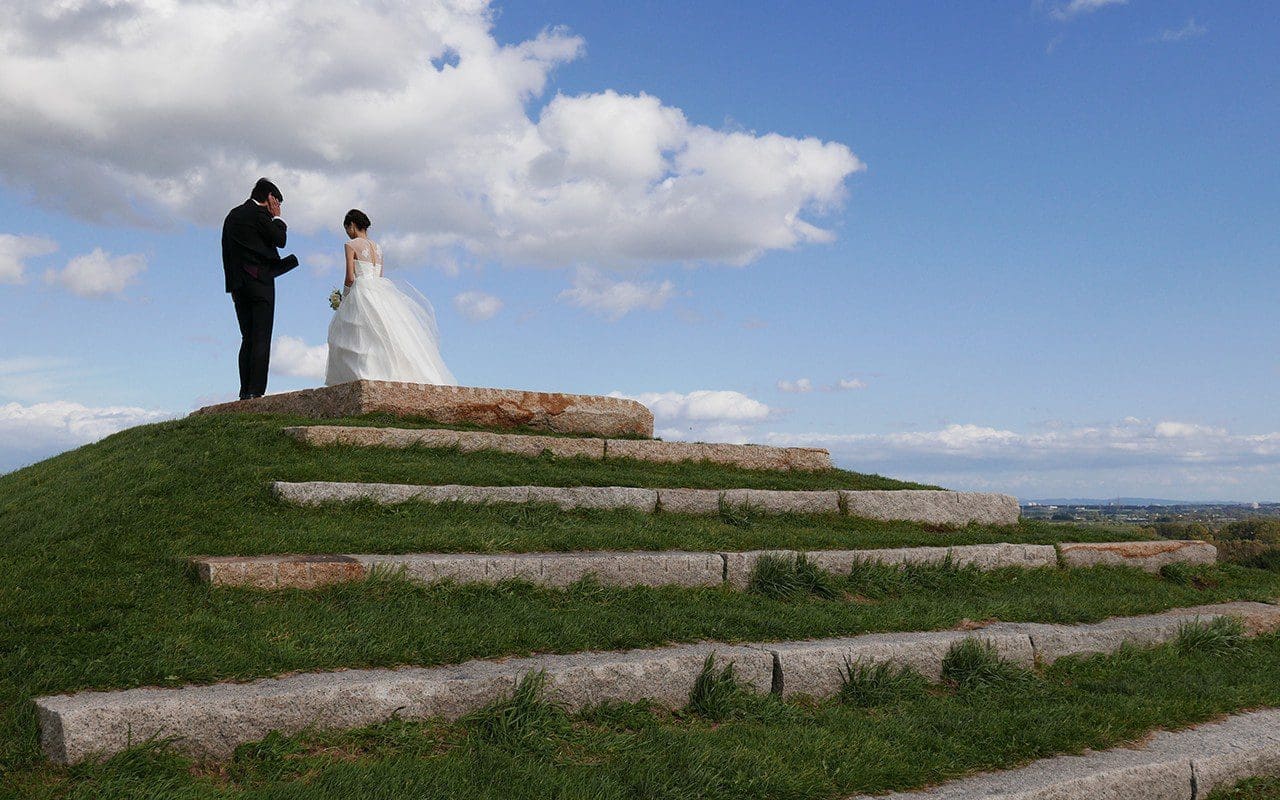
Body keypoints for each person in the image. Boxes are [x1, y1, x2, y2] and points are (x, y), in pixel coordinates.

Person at [325, 209, 455, 386]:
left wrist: (345, 297)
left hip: (361, 290)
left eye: (347, 228)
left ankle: (361, 378)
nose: (347, 233)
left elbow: (350, 277)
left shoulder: (350, 244)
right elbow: (379, 274)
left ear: (352, 225)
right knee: (385, 335)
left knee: (359, 335)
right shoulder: (377, 248)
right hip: (380, 291)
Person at [221, 178, 299, 399]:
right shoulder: (261, 215)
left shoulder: (233, 215)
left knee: (247, 337)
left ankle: (245, 391)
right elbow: (280, 239)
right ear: (270, 198)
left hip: (238, 286)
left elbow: (227, 251)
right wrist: (277, 218)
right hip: (260, 284)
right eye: (278, 202)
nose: (278, 207)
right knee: (262, 337)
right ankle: (256, 392)